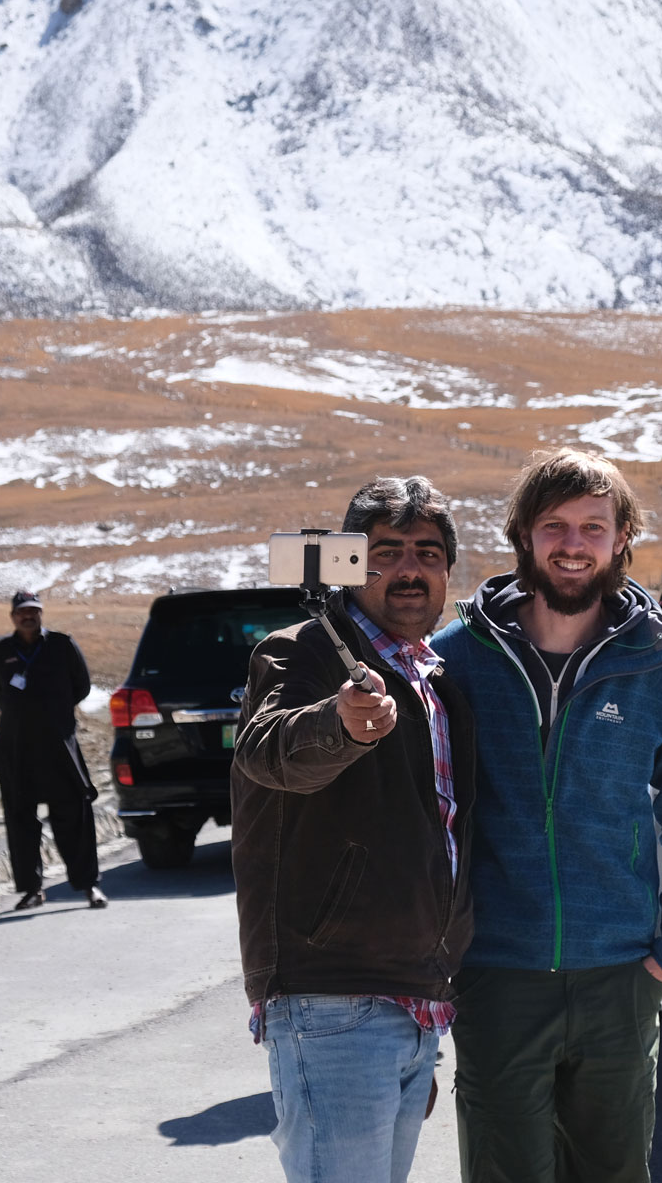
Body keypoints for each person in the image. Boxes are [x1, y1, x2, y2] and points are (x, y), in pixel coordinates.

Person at [431, 448, 662, 1183]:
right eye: (553, 525)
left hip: (620, 978)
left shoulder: (660, 662)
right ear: (523, 536)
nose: (572, 544)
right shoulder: (453, 662)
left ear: (623, 537)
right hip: (497, 975)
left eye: (593, 526)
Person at [231, 476, 477, 1183]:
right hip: (333, 1002)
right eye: (387, 551)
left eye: (427, 553)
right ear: (349, 563)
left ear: (446, 570)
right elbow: (267, 752)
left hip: (414, 1001)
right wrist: (337, 724)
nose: (408, 569)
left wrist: (434, 994)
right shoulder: (302, 652)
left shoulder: (434, 678)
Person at [0, 590, 106, 911]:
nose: (28, 616)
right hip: (16, 749)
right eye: (22, 612)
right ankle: (31, 889)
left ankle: (89, 886)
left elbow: (81, 686)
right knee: (20, 820)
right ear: (13, 617)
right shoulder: (2, 651)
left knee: (75, 817)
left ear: (41, 613)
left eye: (34, 611)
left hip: (58, 748)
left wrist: (54, 714)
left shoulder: (61, 645)